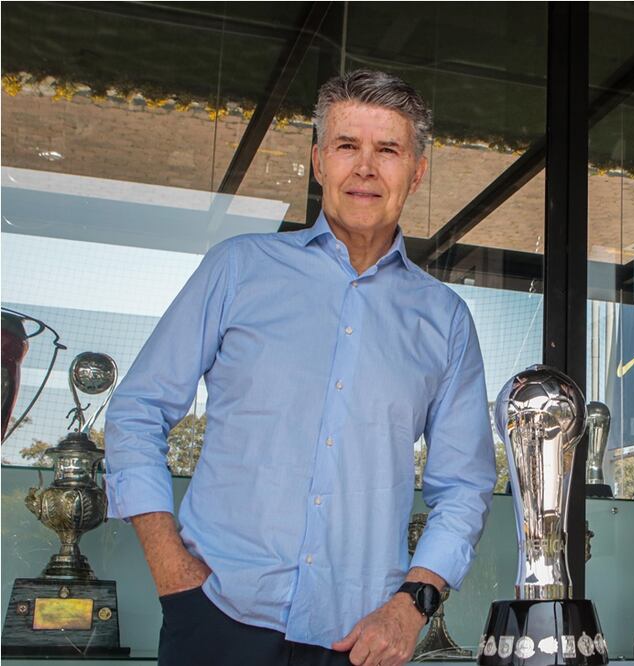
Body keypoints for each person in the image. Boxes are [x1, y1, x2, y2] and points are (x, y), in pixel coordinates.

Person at [105, 69, 497, 666]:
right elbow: (137, 411)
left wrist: (410, 605)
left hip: (358, 640)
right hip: (215, 618)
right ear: (319, 162)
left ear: (415, 172)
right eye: (347, 146)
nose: (365, 168)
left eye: (387, 150)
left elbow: (465, 488)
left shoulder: (445, 321)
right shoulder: (237, 270)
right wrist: (170, 569)